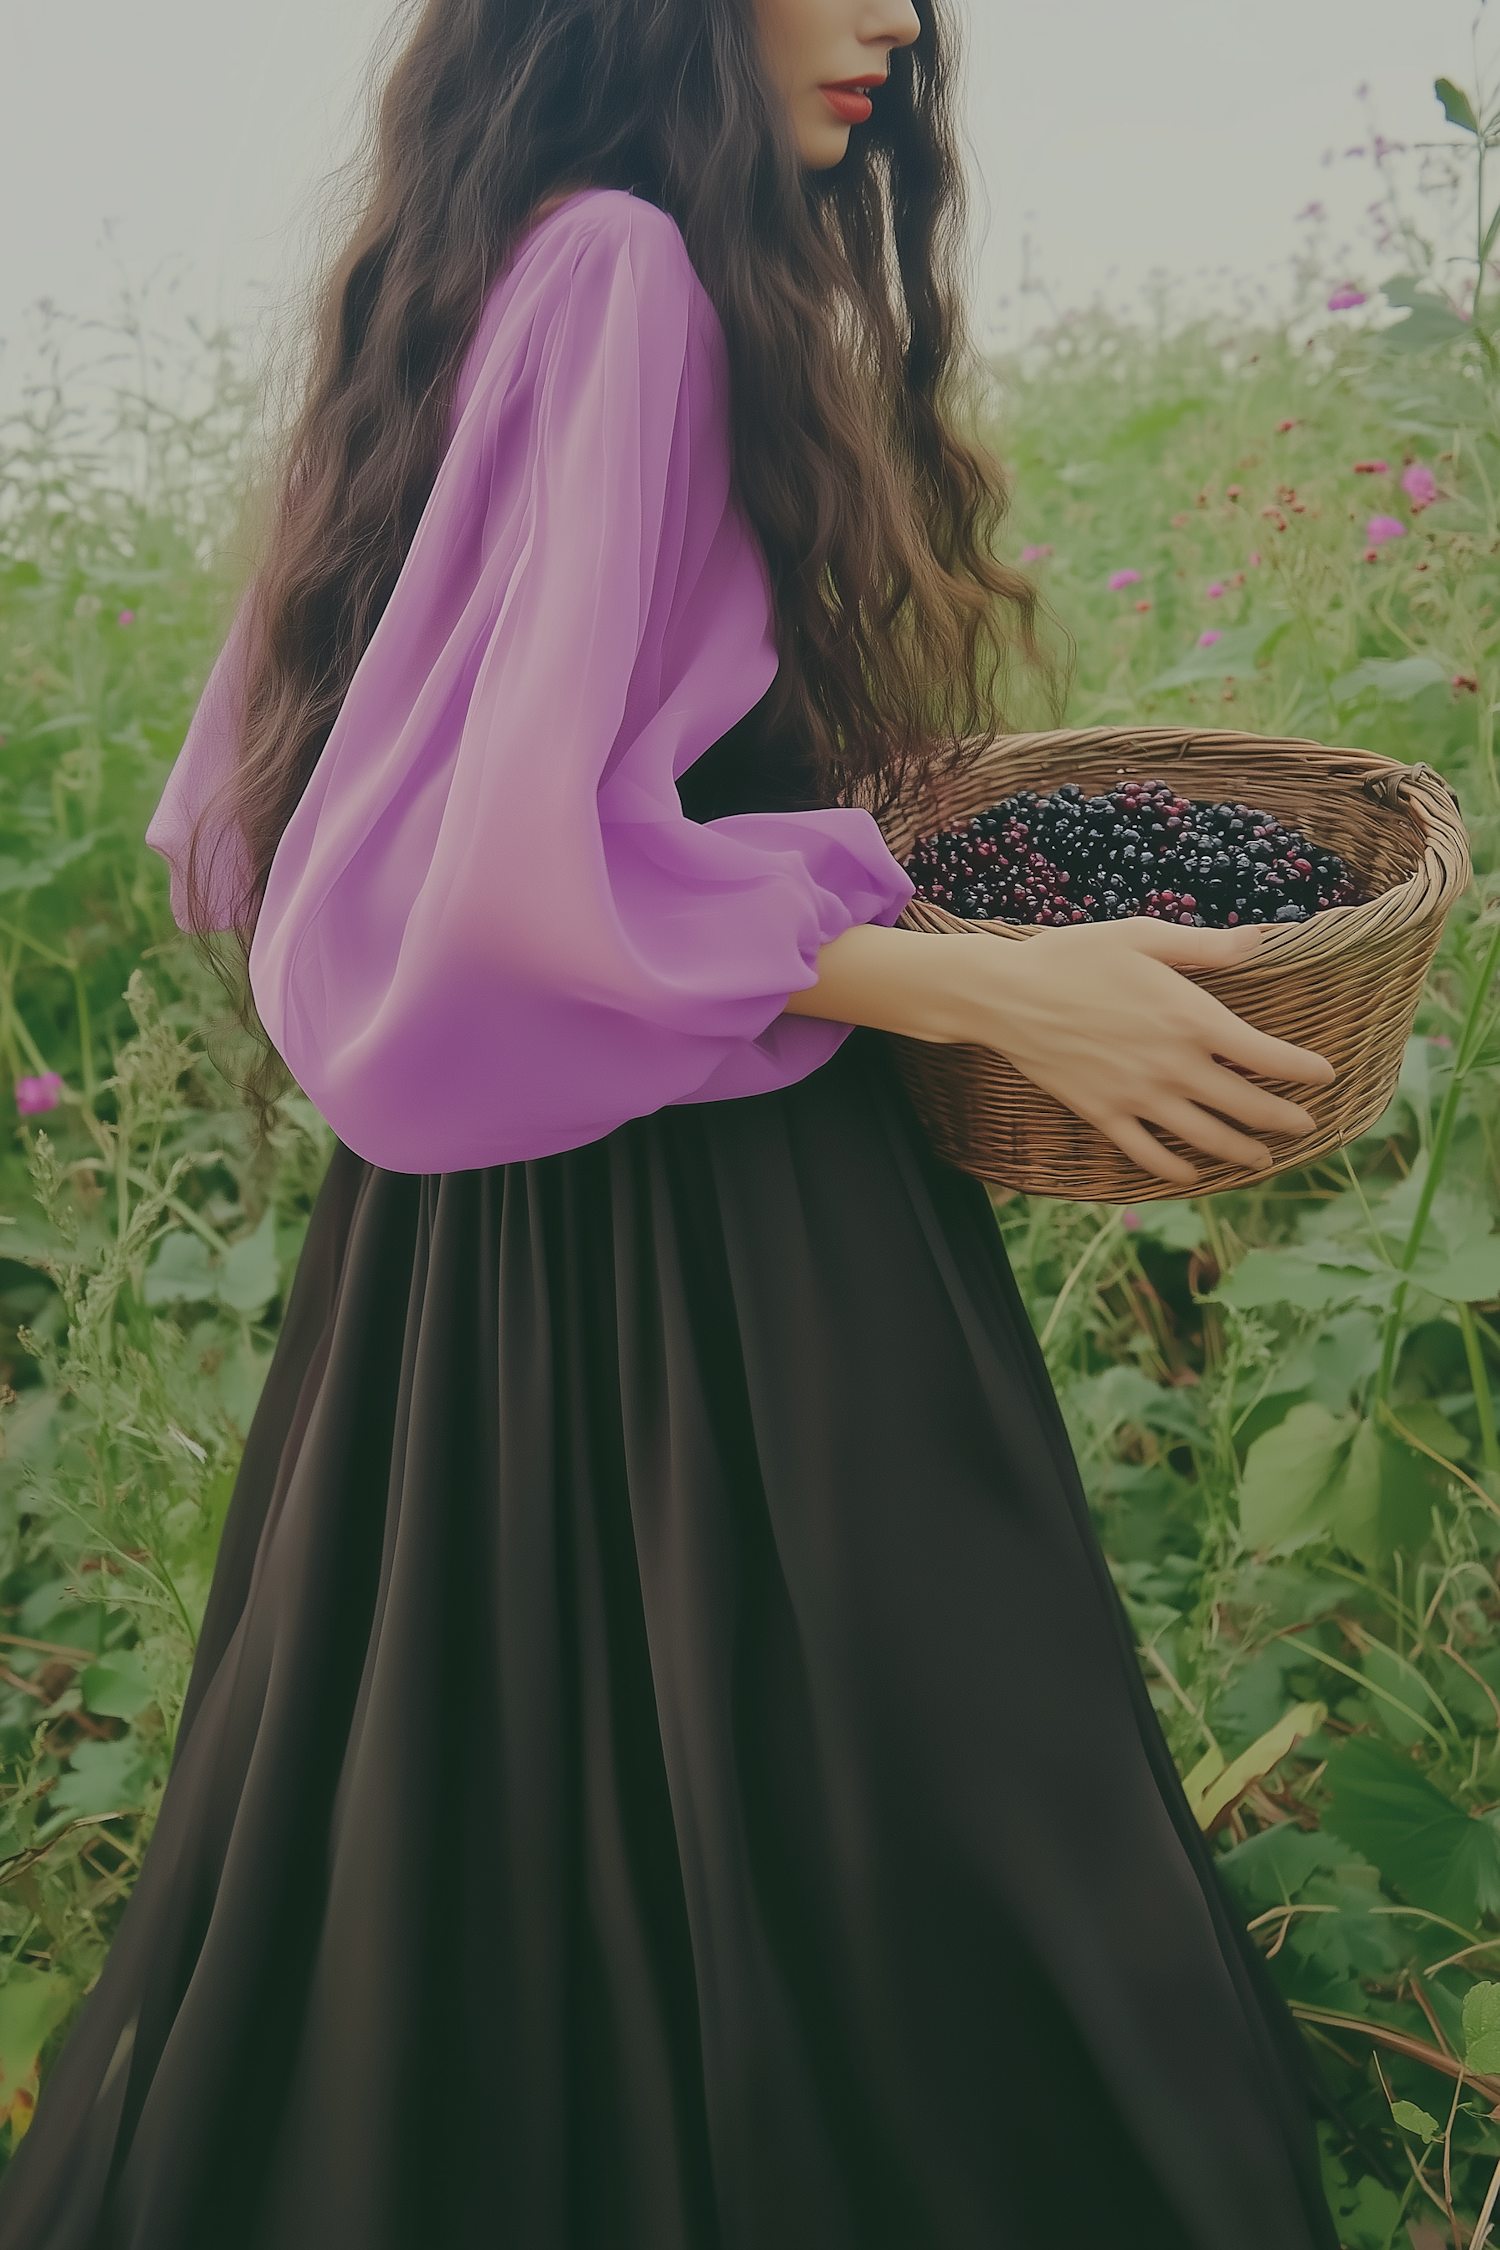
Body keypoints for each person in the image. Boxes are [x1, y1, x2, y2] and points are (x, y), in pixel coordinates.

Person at [0, 1, 1344, 2243]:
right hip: (721, 1203)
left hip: (477, 1252)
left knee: (474, 1816)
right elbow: (489, 872)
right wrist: (991, 982)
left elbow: (259, 821)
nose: (898, 21)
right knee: (906, 1763)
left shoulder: (477, 267)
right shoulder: (624, 266)